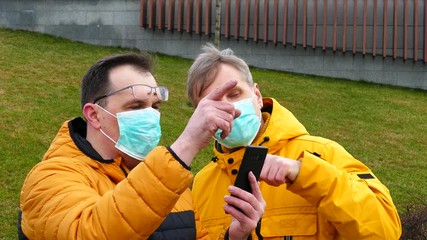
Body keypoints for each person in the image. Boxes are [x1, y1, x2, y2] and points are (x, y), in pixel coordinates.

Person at [18, 52, 266, 240]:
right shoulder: (50, 178)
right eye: (136, 106)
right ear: (94, 115)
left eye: (155, 107)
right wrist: (187, 144)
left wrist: (234, 235)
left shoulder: (172, 185)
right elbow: (90, 232)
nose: (150, 116)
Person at [187, 43, 402, 239]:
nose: (230, 109)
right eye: (213, 103)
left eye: (235, 94)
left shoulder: (323, 154)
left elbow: (385, 231)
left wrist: (302, 172)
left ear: (257, 96)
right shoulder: (202, 184)